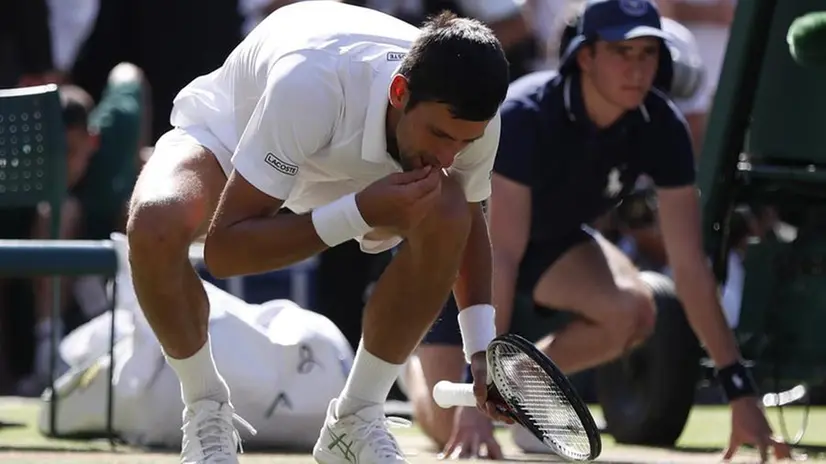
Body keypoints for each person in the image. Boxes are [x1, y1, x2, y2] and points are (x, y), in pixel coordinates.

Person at [124, 2, 510, 463]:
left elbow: (469, 228)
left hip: (347, 167)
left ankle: (356, 418)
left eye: (464, 142)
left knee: (450, 212)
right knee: (154, 225)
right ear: (400, 92)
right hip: (241, 131)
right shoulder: (308, 83)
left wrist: (483, 352)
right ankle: (206, 411)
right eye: (440, 136)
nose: (449, 156)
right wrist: (359, 212)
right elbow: (224, 253)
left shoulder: (472, 122)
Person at [406, 0, 791, 461]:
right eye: (621, 52)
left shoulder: (661, 125)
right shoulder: (526, 115)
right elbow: (500, 255)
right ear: (585, 57)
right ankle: (413, 366)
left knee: (634, 310)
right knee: (448, 423)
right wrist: (476, 390)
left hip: (552, 242)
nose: (637, 69)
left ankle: (522, 389)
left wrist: (739, 391)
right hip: (465, 248)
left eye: (648, 53)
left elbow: (689, 266)